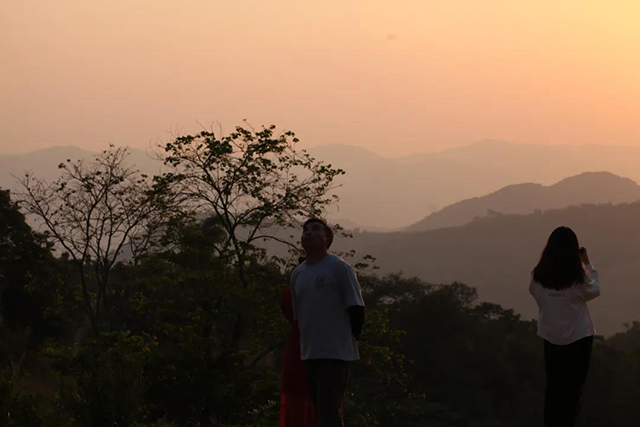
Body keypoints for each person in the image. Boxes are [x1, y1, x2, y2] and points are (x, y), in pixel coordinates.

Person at [290, 218, 365, 427]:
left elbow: (357, 308)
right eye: (305, 230)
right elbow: (299, 317)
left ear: (327, 238)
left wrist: (351, 340)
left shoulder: (339, 268)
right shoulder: (297, 274)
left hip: (334, 353)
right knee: (321, 410)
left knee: (328, 410)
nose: (309, 233)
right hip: (310, 353)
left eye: (316, 230)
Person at [529, 226, 601, 427]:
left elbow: (535, 293)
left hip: (550, 338)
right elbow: (595, 290)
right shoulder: (578, 279)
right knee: (573, 392)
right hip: (579, 340)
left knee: (553, 390)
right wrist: (587, 263)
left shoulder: (537, 276)